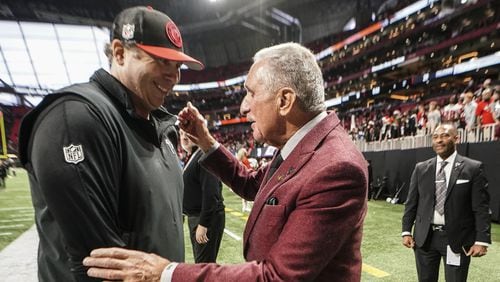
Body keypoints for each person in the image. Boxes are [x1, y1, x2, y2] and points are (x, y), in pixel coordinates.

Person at [84, 42, 369, 281]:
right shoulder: (304, 145)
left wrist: (166, 273)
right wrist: (206, 142)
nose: (244, 106)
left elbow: (277, 277)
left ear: (284, 101)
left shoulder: (336, 168)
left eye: (251, 93)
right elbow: (253, 185)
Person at [18, 6, 204, 281]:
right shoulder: (76, 118)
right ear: (119, 52)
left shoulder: (160, 127)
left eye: (177, 66)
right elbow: (98, 264)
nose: (174, 76)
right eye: (162, 61)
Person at [401, 123, 491, 282]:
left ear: (457, 138)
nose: (439, 140)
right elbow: (411, 202)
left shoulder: (473, 168)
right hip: (424, 238)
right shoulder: (421, 168)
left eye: (445, 136)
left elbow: (481, 208)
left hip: (457, 239)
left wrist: (481, 240)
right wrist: (406, 230)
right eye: (435, 137)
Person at [180, 129, 225, 263]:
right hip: (196, 217)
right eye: (181, 134)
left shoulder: (203, 155)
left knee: (203, 266)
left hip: (205, 219)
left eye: (187, 133)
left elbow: (211, 193)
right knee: (202, 265)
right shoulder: (194, 155)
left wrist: (204, 224)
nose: (184, 137)